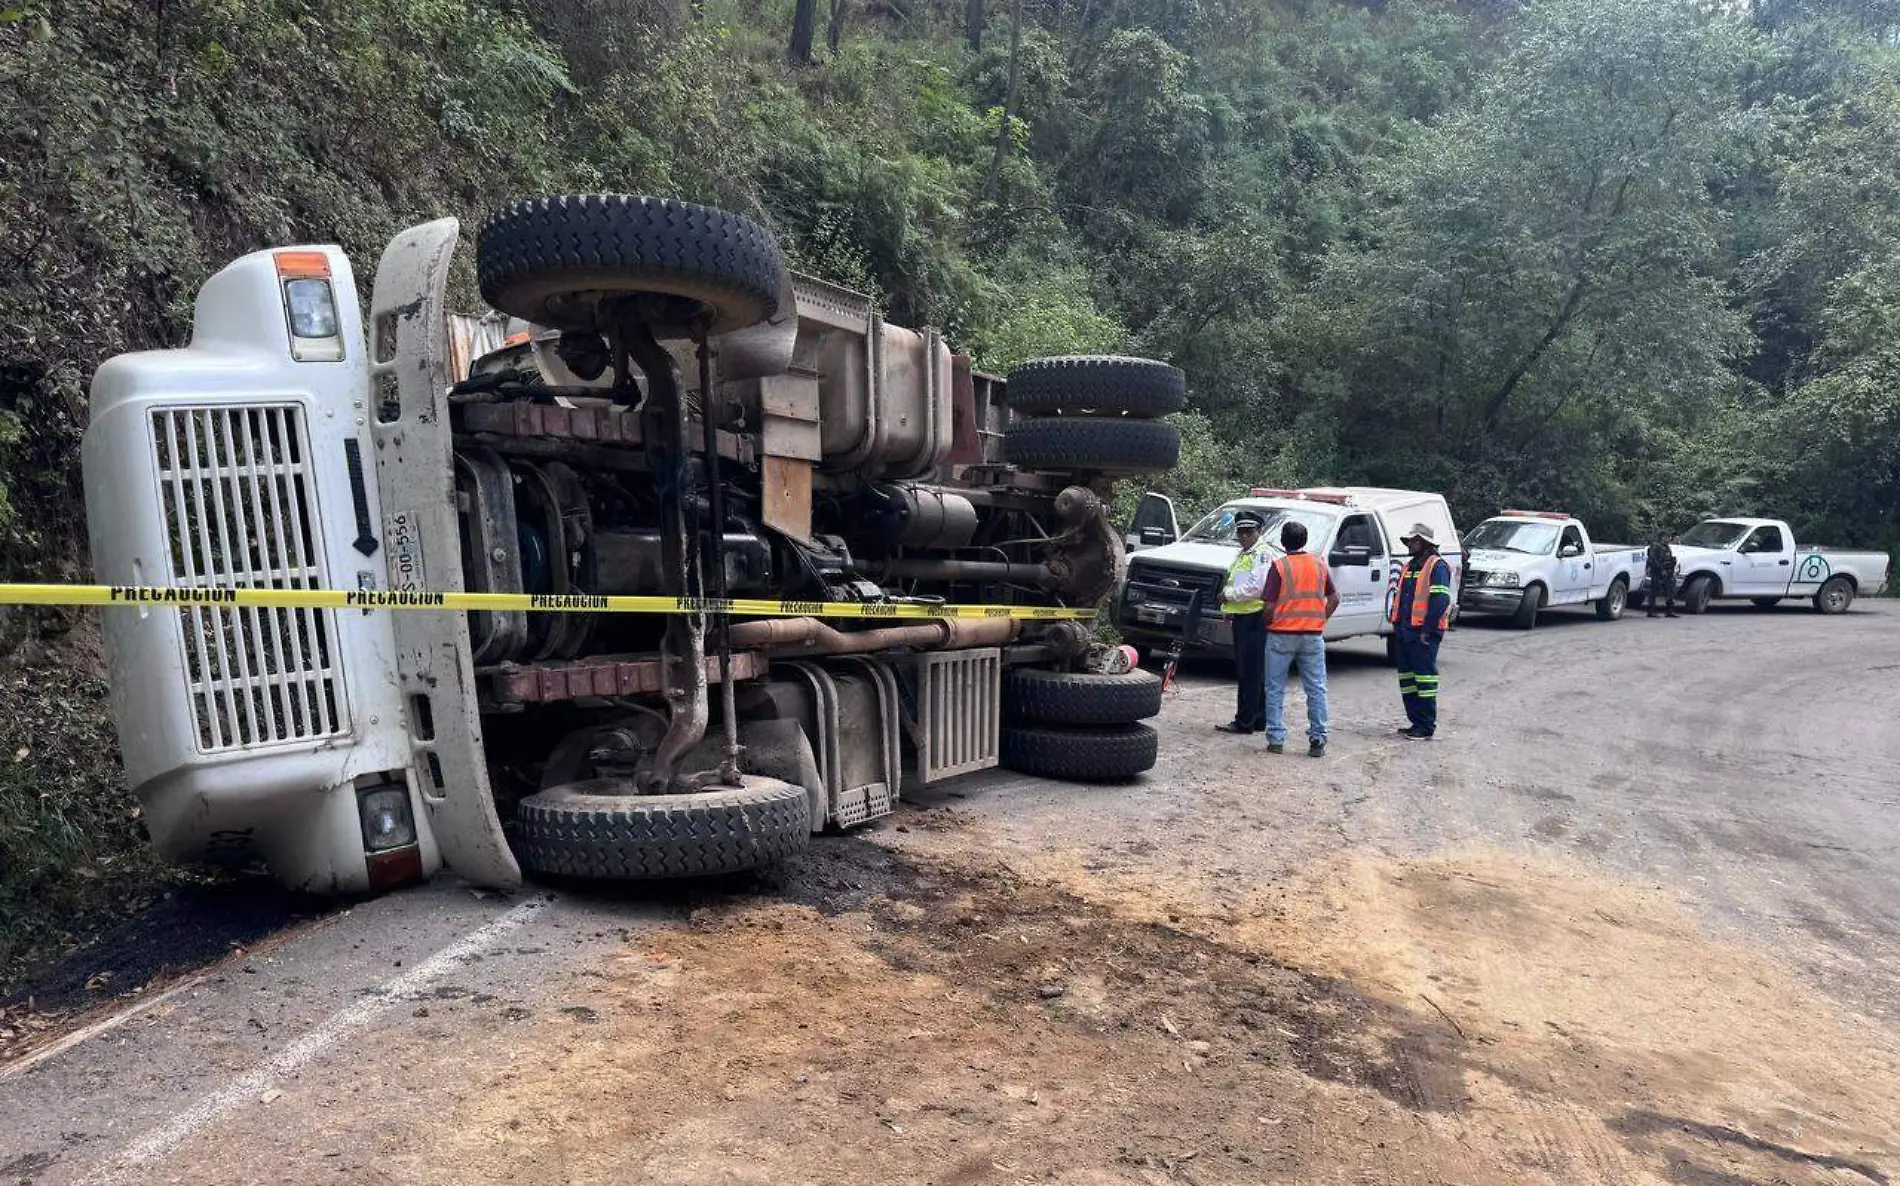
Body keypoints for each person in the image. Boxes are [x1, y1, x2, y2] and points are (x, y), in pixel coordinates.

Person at [1260, 521, 1340, 757]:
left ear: (1283, 542)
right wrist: (1319, 620)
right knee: (1316, 688)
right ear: (1305, 541)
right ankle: (1318, 739)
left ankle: (1276, 739)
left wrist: (1269, 623)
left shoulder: (1279, 566)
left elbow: (1268, 606)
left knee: (1274, 688)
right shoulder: (1319, 564)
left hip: (1281, 635)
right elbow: (1334, 599)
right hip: (1312, 635)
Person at [1390, 523, 1453, 740]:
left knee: (1424, 680)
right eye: (1410, 541)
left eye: (1415, 541)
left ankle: (1426, 725)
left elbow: (1440, 600)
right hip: (1405, 631)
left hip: (1423, 633)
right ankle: (1415, 721)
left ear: (1425, 544)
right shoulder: (1410, 566)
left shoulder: (1437, 567)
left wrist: (1427, 629)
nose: (1410, 545)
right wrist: (1396, 624)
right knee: (1407, 678)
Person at [1215, 510, 1273, 734]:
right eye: (1240, 532)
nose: (1244, 536)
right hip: (1243, 616)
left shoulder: (1261, 555)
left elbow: (1256, 588)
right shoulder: (1245, 553)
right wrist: (1229, 608)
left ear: (1259, 531)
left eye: (1249, 532)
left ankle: (1245, 721)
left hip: (1254, 618)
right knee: (1252, 670)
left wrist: (1228, 596)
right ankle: (1257, 719)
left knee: (1249, 671)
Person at [1645, 531, 1679, 618]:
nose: (1669, 539)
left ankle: (1669, 611)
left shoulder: (1667, 547)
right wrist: (1661, 569)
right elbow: (1653, 560)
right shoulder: (1655, 547)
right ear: (1662, 537)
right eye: (1667, 537)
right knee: (1654, 591)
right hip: (1657, 572)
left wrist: (1672, 562)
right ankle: (1651, 611)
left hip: (1668, 572)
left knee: (1669, 591)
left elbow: (1668, 558)